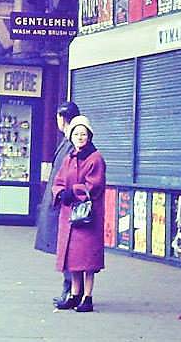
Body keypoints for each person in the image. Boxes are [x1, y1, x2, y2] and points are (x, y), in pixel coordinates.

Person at [52, 115, 106, 313]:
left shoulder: (95, 159)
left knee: (88, 260)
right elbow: (58, 181)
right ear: (71, 137)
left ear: (89, 136)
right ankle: (75, 295)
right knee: (73, 258)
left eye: (83, 134)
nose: (80, 137)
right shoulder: (69, 158)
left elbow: (94, 185)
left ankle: (87, 297)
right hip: (70, 217)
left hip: (88, 217)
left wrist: (72, 193)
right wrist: (60, 193)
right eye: (76, 134)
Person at [34, 101, 78, 305]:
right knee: (64, 248)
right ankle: (70, 289)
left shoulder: (72, 143)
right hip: (58, 202)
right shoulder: (67, 141)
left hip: (64, 205)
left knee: (68, 249)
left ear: (62, 118)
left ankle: (70, 290)